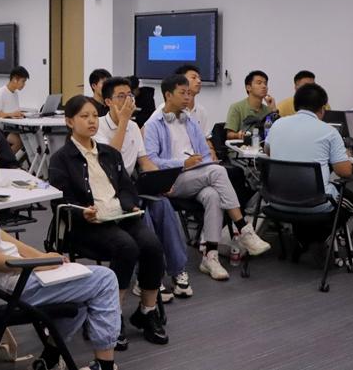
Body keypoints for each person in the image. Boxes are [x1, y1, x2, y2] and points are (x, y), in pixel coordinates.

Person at [0, 103, 121, 370]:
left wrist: (42, 258)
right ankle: (104, 365)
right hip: (4, 287)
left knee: (79, 289)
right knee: (105, 280)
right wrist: (40, 264)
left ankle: (51, 359)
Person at [49, 95, 168, 349]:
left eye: (94, 115)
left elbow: (126, 187)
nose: (92, 121)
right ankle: (112, 317)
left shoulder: (109, 153)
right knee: (127, 247)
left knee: (152, 245)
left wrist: (130, 204)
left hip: (120, 216)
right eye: (84, 116)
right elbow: (60, 201)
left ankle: (147, 312)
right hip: (87, 225)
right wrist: (82, 212)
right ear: (69, 122)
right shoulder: (61, 159)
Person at [144, 75, 271, 280]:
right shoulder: (153, 124)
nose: (187, 97)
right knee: (218, 172)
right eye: (182, 93)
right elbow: (151, 161)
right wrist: (183, 163)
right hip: (172, 181)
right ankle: (243, 229)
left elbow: (204, 153)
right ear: (168, 95)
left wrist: (201, 162)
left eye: (189, 93)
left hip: (197, 175)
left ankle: (210, 256)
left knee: (213, 195)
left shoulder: (190, 121)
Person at [95, 77, 192, 300]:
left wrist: (160, 180)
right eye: (121, 96)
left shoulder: (132, 126)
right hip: (108, 191)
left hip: (129, 187)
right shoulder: (99, 126)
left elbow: (145, 161)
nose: (127, 100)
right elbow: (110, 160)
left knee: (163, 205)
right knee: (142, 213)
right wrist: (123, 122)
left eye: (130, 95)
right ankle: (146, 277)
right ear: (108, 102)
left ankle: (177, 270)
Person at [265, 83, 353, 246]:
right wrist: (345, 155)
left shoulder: (277, 125)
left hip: (276, 201)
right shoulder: (329, 131)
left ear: (296, 105)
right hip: (315, 204)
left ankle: (305, 239)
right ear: (322, 109)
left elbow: (268, 151)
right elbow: (345, 172)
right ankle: (322, 238)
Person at [224, 70, 277, 141]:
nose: (264, 86)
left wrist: (273, 109)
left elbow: (277, 133)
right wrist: (238, 135)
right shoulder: (236, 107)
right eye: (259, 83)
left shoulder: (268, 110)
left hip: (262, 146)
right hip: (242, 146)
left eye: (265, 84)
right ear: (248, 87)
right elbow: (229, 134)